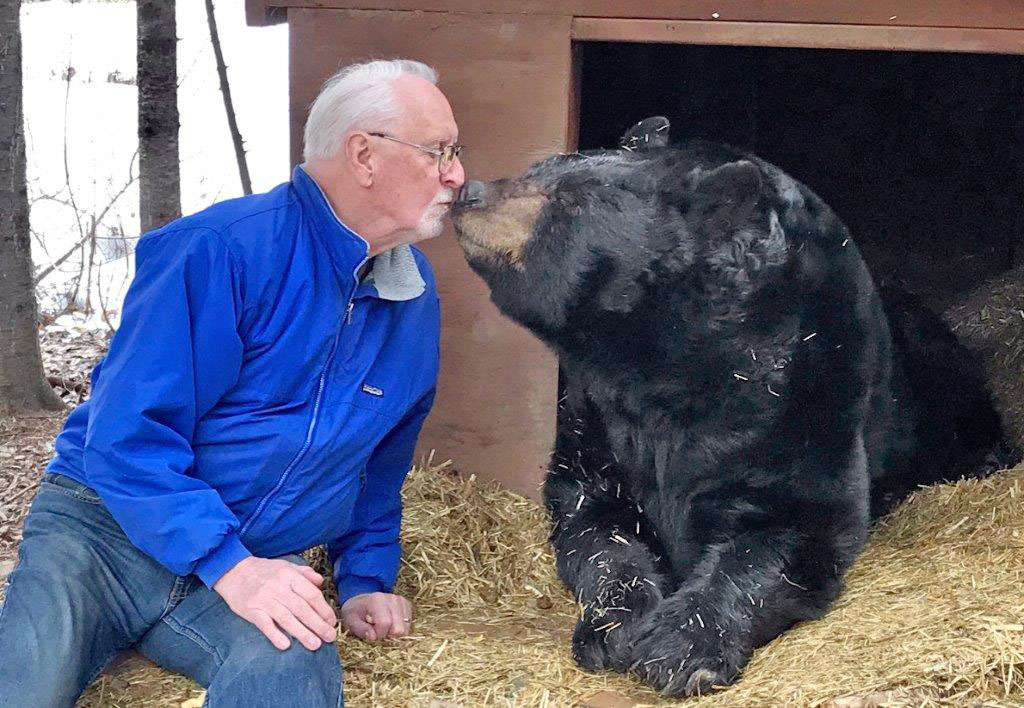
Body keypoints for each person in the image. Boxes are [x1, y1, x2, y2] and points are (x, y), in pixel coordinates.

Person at [0, 58, 465, 707]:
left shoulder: (410, 297)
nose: (457, 174)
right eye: (439, 151)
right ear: (364, 155)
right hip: (101, 538)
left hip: (254, 555)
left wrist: (362, 579)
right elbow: (124, 440)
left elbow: (376, 467)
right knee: (21, 686)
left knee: (294, 668)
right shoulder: (220, 250)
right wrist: (232, 567)